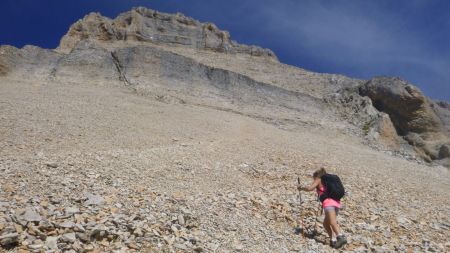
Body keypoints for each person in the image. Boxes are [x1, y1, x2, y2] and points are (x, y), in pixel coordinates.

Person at [298, 167, 347, 249]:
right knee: (325, 223)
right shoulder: (328, 181)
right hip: (337, 203)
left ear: (316, 176)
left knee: (332, 222)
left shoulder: (319, 179)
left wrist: (301, 188)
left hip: (328, 204)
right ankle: (333, 240)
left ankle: (340, 237)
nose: (314, 180)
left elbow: (310, 188)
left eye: (314, 178)